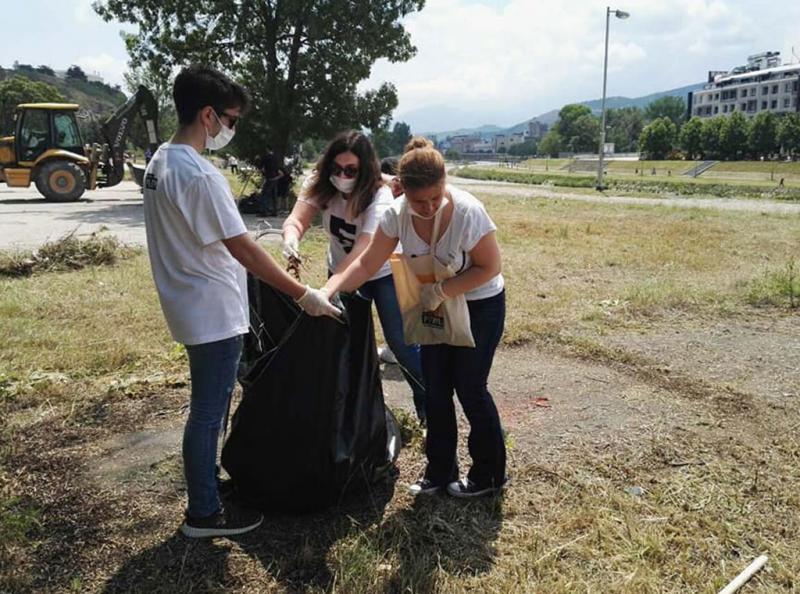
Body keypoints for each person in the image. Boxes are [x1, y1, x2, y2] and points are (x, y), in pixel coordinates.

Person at [142, 65, 340, 539]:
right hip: (211, 310)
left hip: (187, 302)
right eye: (231, 118)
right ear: (208, 115)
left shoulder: (159, 163)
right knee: (208, 411)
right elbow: (244, 249)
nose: (232, 128)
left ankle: (207, 487)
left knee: (208, 407)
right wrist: (303, 294)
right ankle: (204, 514)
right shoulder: (198, 175)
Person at [325, 137, 507, 498]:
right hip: (434, 304)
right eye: (419, 200)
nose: (428, 207)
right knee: (436, 387)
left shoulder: (468, 212)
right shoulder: (395, 214)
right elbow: (366, 262)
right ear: (401, 189)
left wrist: (443, 290)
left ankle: (489, 474)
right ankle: (439, 472)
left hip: (479, 304)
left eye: (436, 198)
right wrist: (328, 291)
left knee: (470, 388)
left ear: (445, 184)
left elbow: (490, 266)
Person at [282, 131, 427, 424]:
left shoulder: (380, 196)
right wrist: (291, 238)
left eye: (350, 170)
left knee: (402, 344)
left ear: (365, 170)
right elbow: (297, 218)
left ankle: (430, 407)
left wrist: (326, 290)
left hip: (387, 271)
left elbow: (363, 256)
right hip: (339, 271)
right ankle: (353, 414)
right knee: (343, 343)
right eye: (336, 169)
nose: (342, 176)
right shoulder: (319, 183)